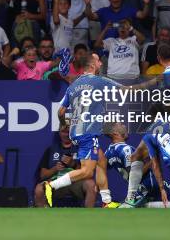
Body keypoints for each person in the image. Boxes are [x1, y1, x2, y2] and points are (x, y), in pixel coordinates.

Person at [44, 52, 121, 207]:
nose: (101, 64)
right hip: (88, 132)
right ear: (92, 65)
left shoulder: (74, 85)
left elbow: (60, 111)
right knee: (86, 171)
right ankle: (51, 186)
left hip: (77, 131)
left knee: (101, 160)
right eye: (99, 61)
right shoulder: (100, 81)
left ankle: (106, 201)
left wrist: (64, 123)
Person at [96, 123, 170, 208]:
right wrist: (152, 160)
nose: (124, 126)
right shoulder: (126, 149)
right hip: (149, 184)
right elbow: (135, 174)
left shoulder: (108, 152)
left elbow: (101, 170)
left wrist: (99, 188)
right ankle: (141, 206)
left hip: (141, 188)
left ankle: (140, 205)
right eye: (121, 124)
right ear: (114, 132)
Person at [34, 124, 96, 208]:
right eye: (63, 132)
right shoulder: (51, 149)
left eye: (68, 132)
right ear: (59, 133)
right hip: (55, 182)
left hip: (75, 182)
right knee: (39, 189)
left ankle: (90, 216)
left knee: (91, 184)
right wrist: (55, 169)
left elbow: (88, 172)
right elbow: (42, 175)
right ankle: (43, 217)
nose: (66, 135)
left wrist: (73, 164)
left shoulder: (81, 148)